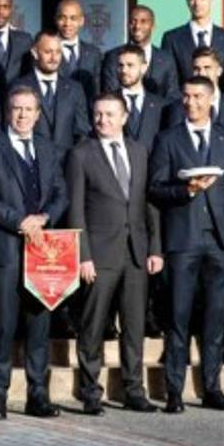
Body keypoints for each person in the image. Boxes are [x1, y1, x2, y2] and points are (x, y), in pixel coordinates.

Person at [148, 76, 224, 413]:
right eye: (186, 96)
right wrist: (186, 190)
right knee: (178, 318)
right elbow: (155, 188)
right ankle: (174, 390)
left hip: (219, 242)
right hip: (183, 240)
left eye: (197, 96)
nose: (190, 102)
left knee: (215, 319)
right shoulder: (168, 139)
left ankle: (212, 388)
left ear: (210, 99)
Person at [0, 86, 69, 420]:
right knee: (3, 324)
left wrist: (44, 219)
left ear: (39, 114)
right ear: (7, 111)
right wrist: (20, 222)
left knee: (39, 327)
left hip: (43, 252)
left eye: (29, 109)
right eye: (17, 109)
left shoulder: (47, 148)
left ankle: (37, 395)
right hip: (5, 249)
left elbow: (60, 192)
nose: (23, 115)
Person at [66, 93, 162, 415]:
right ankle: (90, 390)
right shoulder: (81, 154)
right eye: (98, 114)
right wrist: (83, 255)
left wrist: (155, 247)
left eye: (109, 114)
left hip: (136, 252)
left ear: (124, 116)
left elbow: (149, 203)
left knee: (134, 326)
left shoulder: (139, 151)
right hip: (100, 254)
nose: (103, 120)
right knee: (93, 325)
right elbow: (76, 210)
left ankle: (134, 390)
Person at [12, 29, 91, 165]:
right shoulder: (17, 86)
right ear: (35, 53)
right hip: (30, 165)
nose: (54, 58)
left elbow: (82, 130)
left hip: (67, 166)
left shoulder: (74, 89)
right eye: (48, 52)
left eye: (58, 52)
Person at [161, 46, 224, 150]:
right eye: (196, 69)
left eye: (207, 68)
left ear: (219, 71)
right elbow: (172, 145)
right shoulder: (179, 108)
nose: (202, 73)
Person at [159, 0, 224, 94]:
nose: (197, 4)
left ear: (211, 0)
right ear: (187, 2)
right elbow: (170, 80)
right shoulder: (172, 39)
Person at [101, 5, 178, 100]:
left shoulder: (166, 59)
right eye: (133, 21)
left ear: (153, 26)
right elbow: (111, 93)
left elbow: (172, 95)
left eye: (143, 21)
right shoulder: (113, 56)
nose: (137, 26)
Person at [113, 44, 166, 152]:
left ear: (144, 67)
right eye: (121, 65)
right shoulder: (108, 102)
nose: (124, 70)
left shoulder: (160, 105)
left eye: (130, 65)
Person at [54, 0, 102, 111]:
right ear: (56, 20)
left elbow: (97, 89)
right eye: (62, 18)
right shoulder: (47, 50)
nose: (67, 23)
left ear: (82, 21)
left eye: (73, 18)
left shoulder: (93, 53)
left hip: (86, 118)